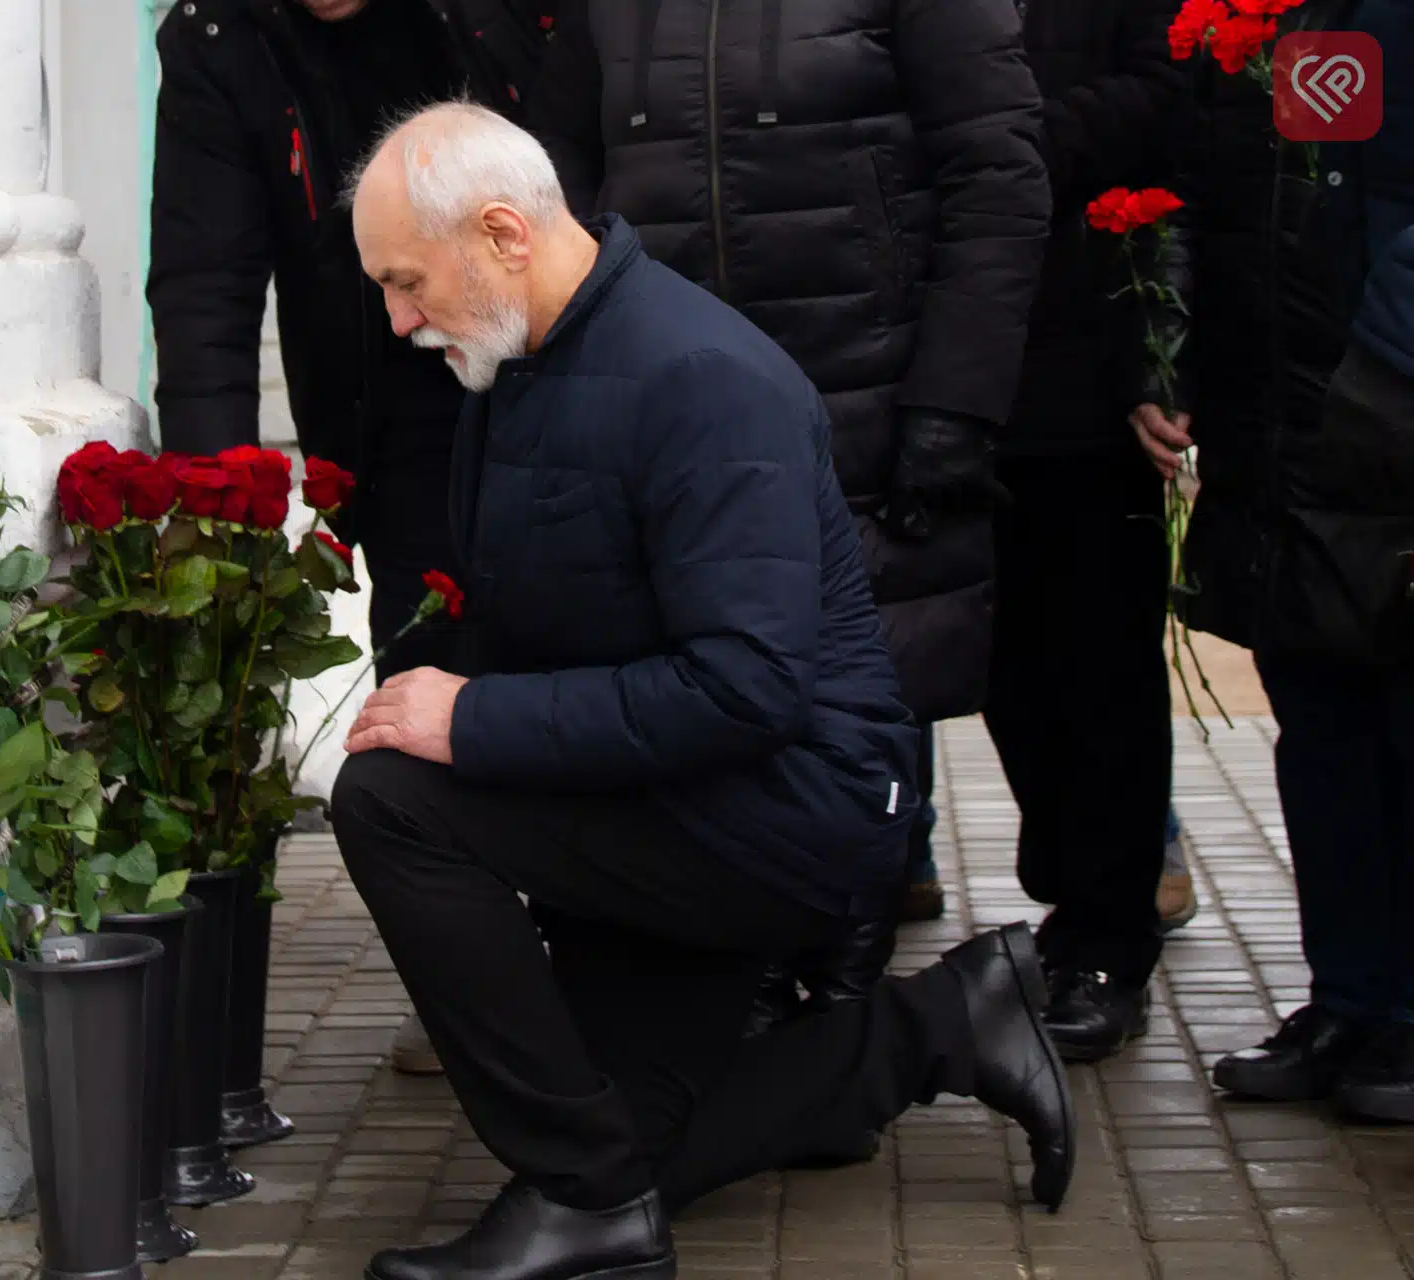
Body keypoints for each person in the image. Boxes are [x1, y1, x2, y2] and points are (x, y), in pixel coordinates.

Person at [329, 103, 1075, 1280]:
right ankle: (946, 1021)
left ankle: (582, 1200)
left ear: (504, 234)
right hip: (667, 791)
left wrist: (469, 719)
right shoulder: (520, 359)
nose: (399, 318)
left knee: (389, 798)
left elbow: (747, 687)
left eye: (406, 281)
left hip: (782, 811)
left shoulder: (701, 379)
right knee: (639, 1144)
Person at [526, 0, 1053, 975]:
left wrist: (955, 398)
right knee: (709, 682)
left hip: (866, 384)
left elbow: (998, 175)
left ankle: (838, 993)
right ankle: (751, 990)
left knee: (857, 697)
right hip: (677, 401)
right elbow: (556, 183)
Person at [147, 0, 550, 1079]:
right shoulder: (221, 40)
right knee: (422, 688)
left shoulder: (488, 15)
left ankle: (601, 965)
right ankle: (486, 989)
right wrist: (216, 501)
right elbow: (204, 283)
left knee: (573, 660)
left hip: (547, 386)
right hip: (386, 430)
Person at [1139, 0, 1412, 1119]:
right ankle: (1352, 997)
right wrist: (1170, 360)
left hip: (1384, 415)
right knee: (1323, 728)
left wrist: (1382, 371)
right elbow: (1205, 197)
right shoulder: (1264, 20)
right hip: (1284, 431)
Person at [980, 0, 1188, 1063]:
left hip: (1090, 355)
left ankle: (1108, 939)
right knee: (1006, 669)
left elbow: (1169, 92)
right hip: (961, 354)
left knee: (1102, 670)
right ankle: (1070, 901)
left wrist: (996, 134)